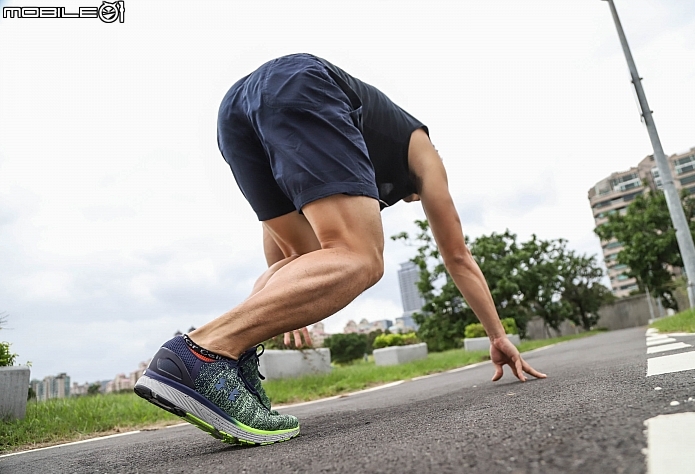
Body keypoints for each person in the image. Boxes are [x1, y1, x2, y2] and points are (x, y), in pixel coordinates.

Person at [134, 53, 547, 446]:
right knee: (361, 258)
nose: (408, 199)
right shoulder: (426, 153)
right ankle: (203, 355)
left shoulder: (358, 150)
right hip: (301, 82)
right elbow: (457, 257)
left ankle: (226, 364)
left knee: (319, 254)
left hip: (236, 111)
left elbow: (286, 251)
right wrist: (497, 334)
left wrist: (286, 307)